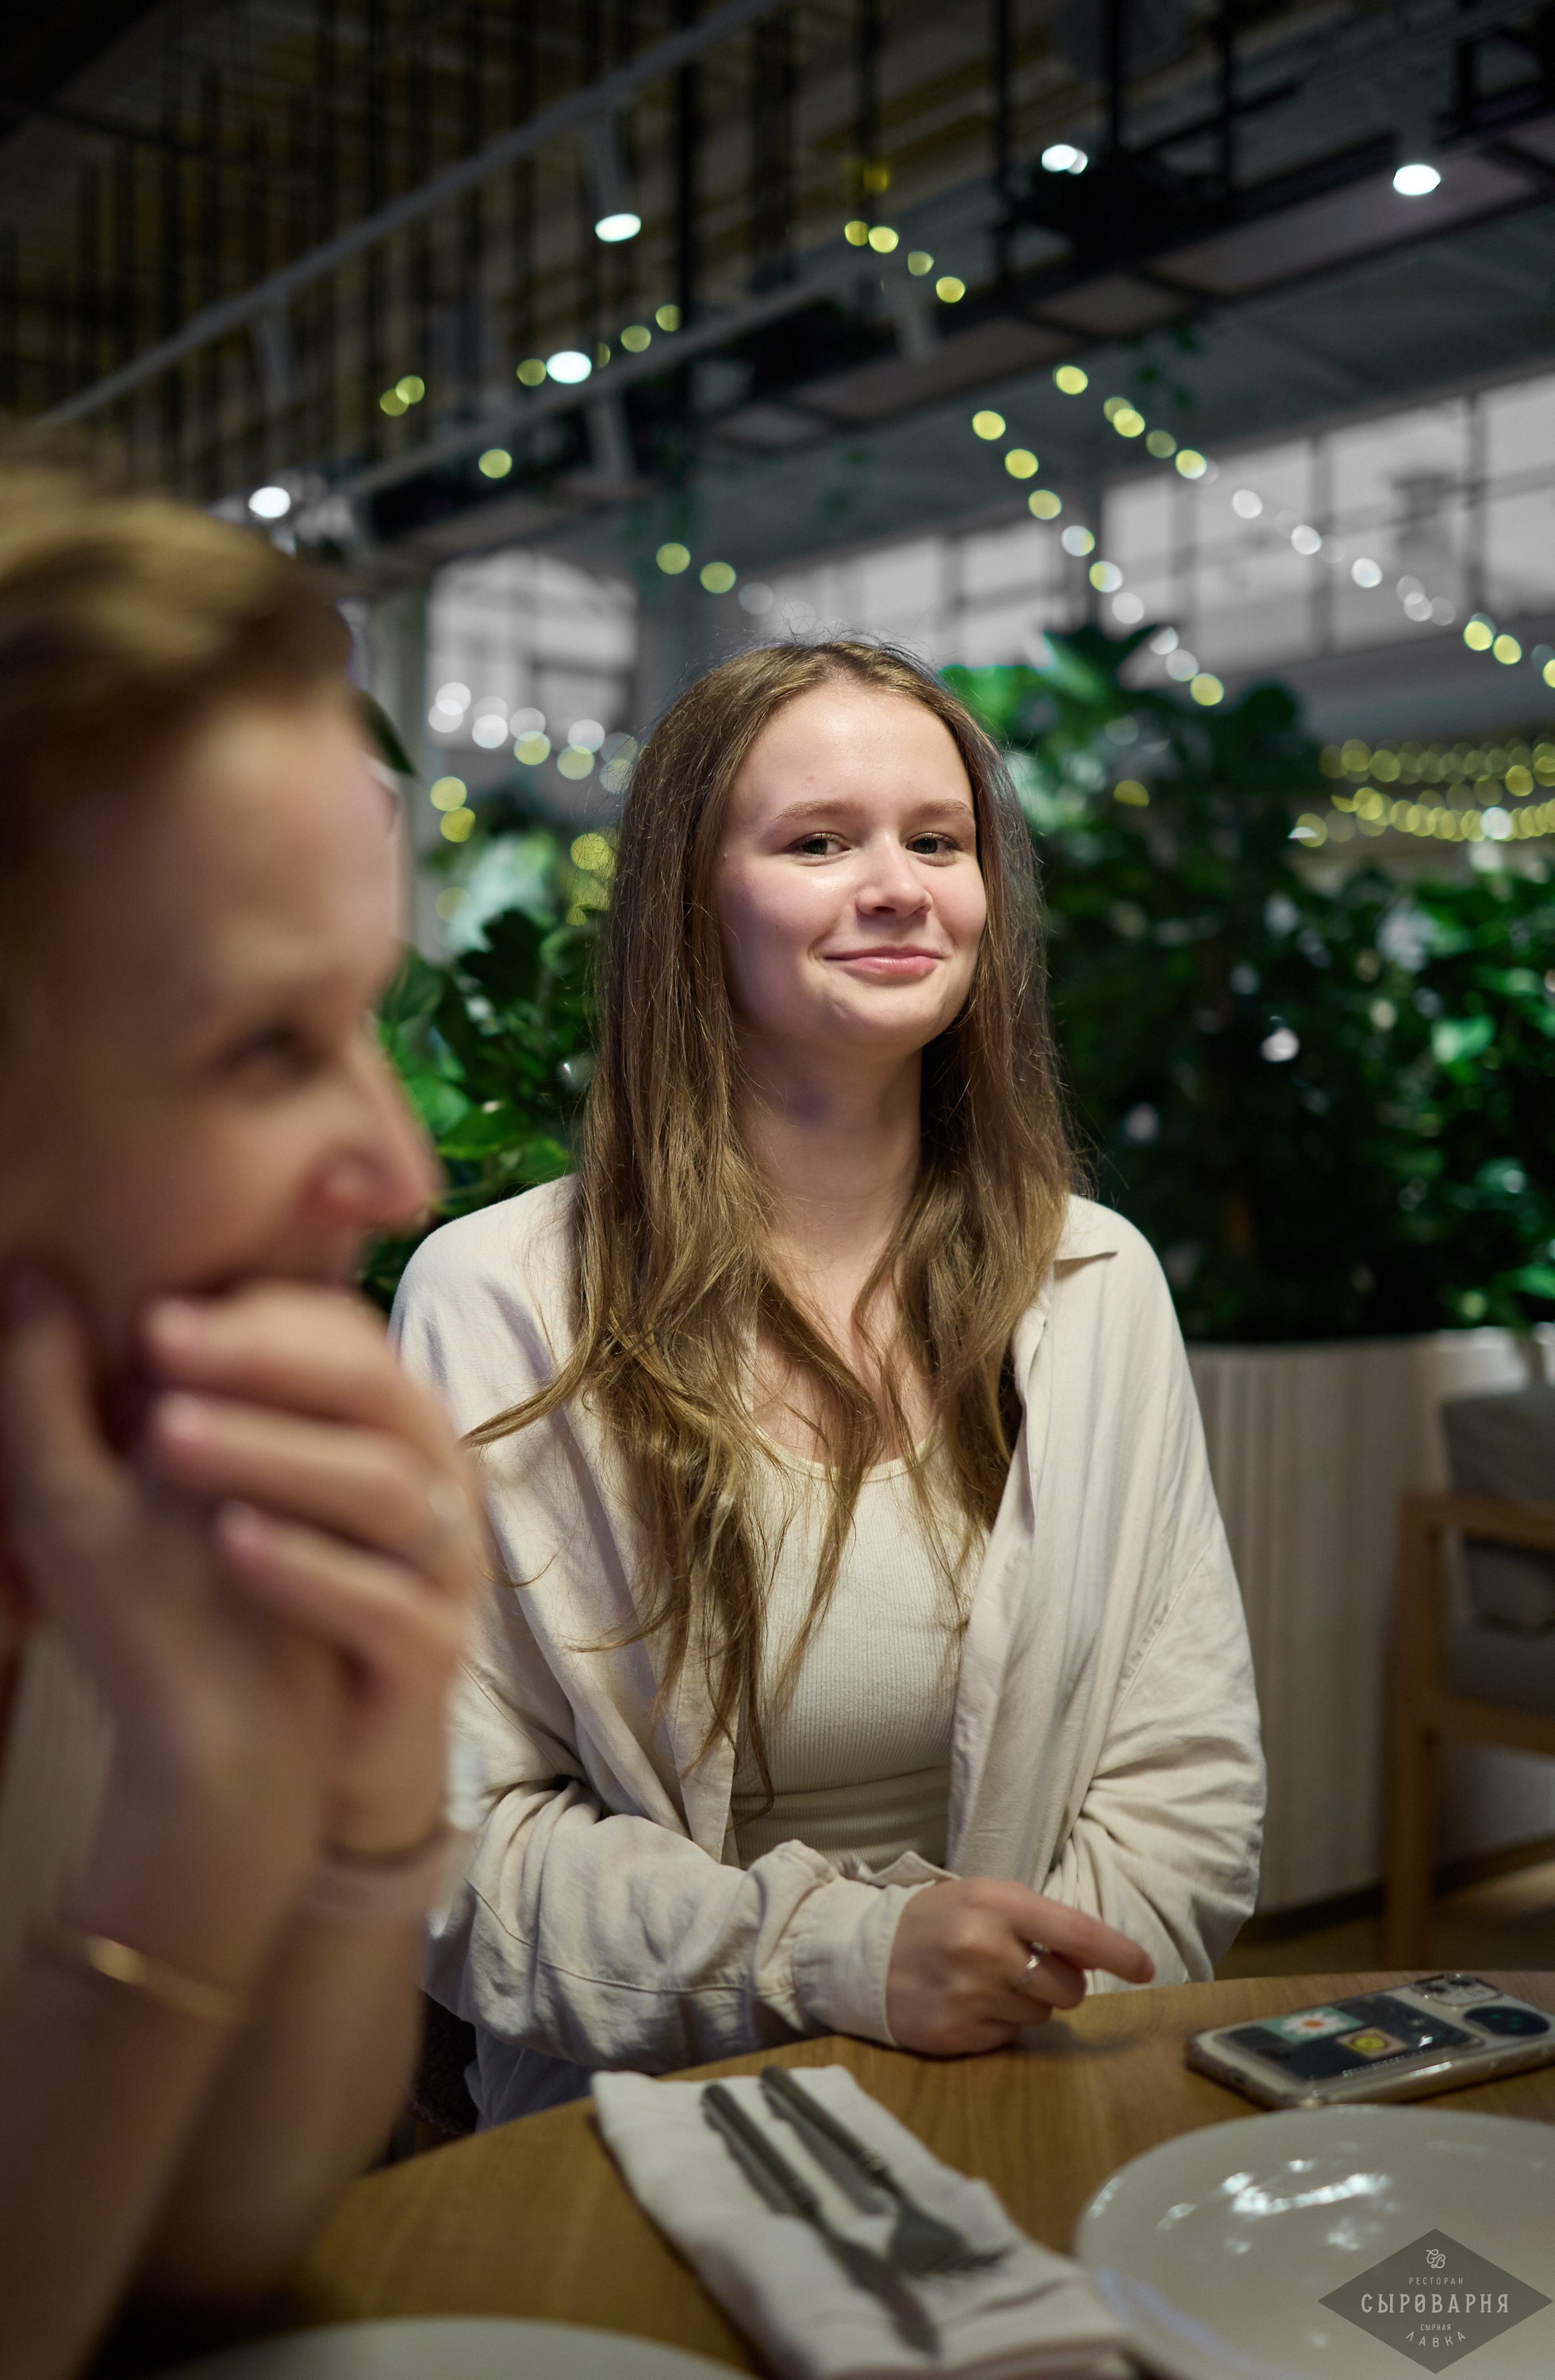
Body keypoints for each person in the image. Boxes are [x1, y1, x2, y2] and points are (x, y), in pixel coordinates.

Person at [397, 639, 1264, 2129]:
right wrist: (852, 1963)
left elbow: (1188, 1781)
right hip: (645, 2123)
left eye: (940, 840)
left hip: (1038, 2092)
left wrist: (1011, 2021)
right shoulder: (498, 1301)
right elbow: (455, 1843)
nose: (899, 885)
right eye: (818, 842)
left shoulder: (1096, 1284)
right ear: (689, 902)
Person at [0, 458, 486, 2380]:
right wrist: (196, 1839)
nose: (401, 1167)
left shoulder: (114, 1488)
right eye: (271, 1046)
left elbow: (216, 2241)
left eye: (367, 1023)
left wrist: (356, 1796)